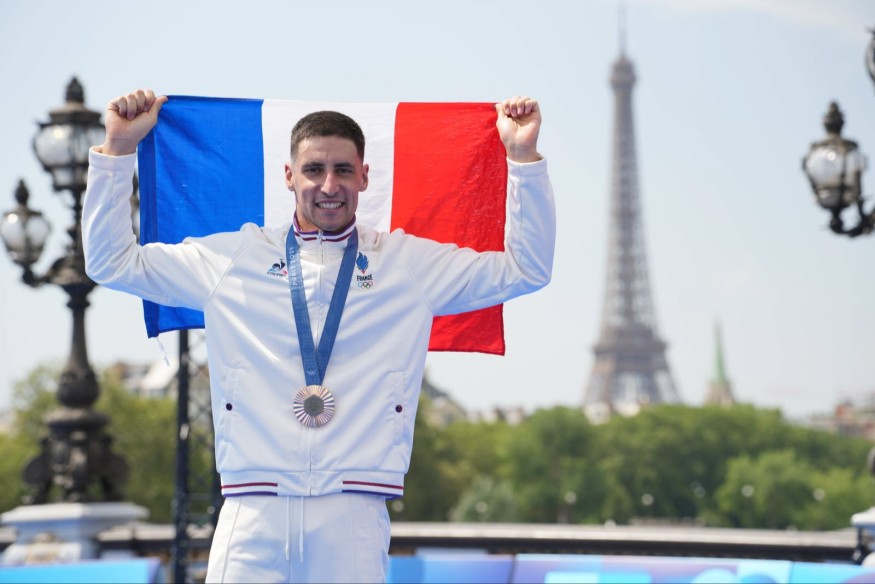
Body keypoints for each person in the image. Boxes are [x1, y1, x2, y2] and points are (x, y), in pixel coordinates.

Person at [82, 89, 555, 583]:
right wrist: (118, 151)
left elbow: (526, 269)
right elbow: (111, 262)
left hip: (353, 511)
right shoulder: (234, 259)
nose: (329, 185)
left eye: (343, 170)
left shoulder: (406, 264)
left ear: (364, 177)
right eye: (314, 170)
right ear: (289, 176)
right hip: (252, 511)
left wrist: (523, 158)